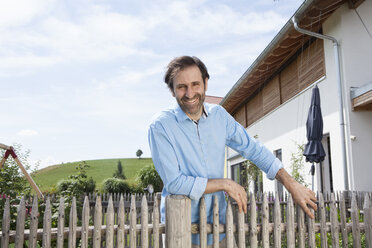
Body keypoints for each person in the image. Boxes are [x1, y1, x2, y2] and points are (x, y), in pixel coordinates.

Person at [148, 56, 317, 247]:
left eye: (195, 84)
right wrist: (225, 184)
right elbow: (175, 183)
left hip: (219, 228)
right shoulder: (160, 126)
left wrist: (290, 183)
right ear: (172, 91)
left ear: (205, 83)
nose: (189, 93)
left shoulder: (219, 116)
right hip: (180, 232)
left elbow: (254, 149)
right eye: (181, 87)